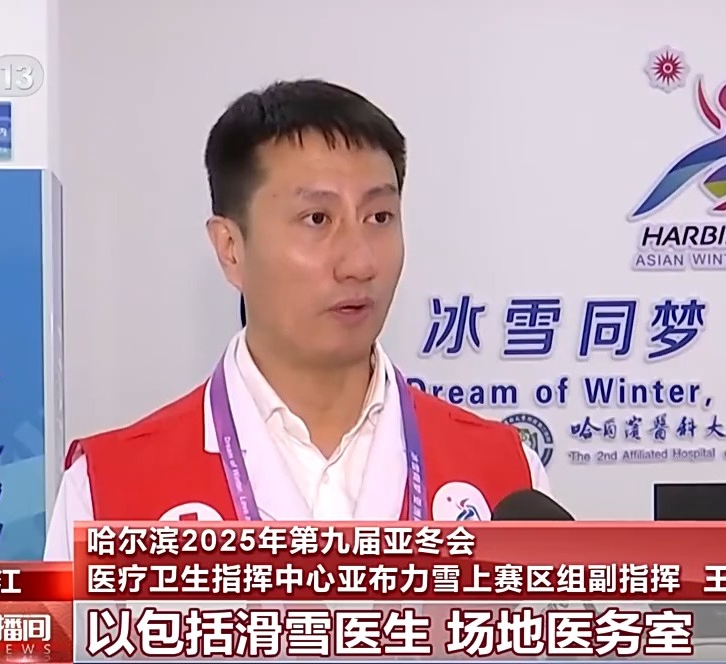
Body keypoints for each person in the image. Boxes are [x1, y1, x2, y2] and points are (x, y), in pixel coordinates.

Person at [43, 80, 550, 560]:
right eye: (317, 219)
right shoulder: (108, 493)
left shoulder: (505, 476)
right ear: (231, 248)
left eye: (379, 218)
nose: (359, 263)